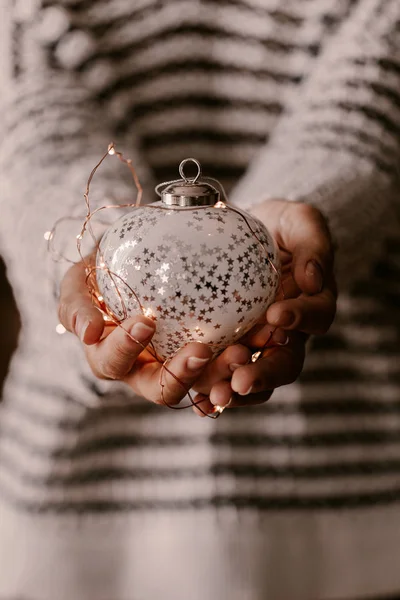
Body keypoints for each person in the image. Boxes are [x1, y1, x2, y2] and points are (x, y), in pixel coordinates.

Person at [0, 1, 399, 599]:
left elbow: (356, 134)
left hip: (344, 497)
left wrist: (305, 225)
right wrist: (88, 262)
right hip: (86, 507)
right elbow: (36, 156)